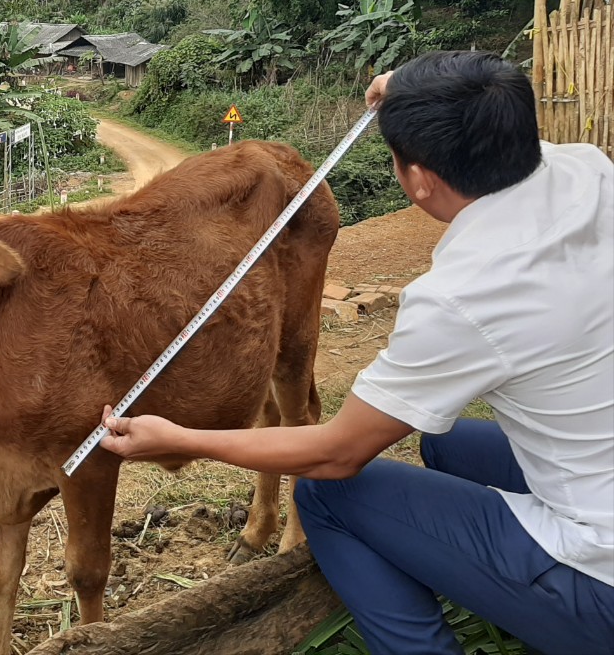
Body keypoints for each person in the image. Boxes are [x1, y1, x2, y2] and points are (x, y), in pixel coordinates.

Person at [99, 51, 613, 654]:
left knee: (325, 493)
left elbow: (337, 453)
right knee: (445, 441)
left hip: (600, 583)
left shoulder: (462, 297)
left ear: (418, 179)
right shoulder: (589, 171)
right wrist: (408, 87)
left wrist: (181, 438)